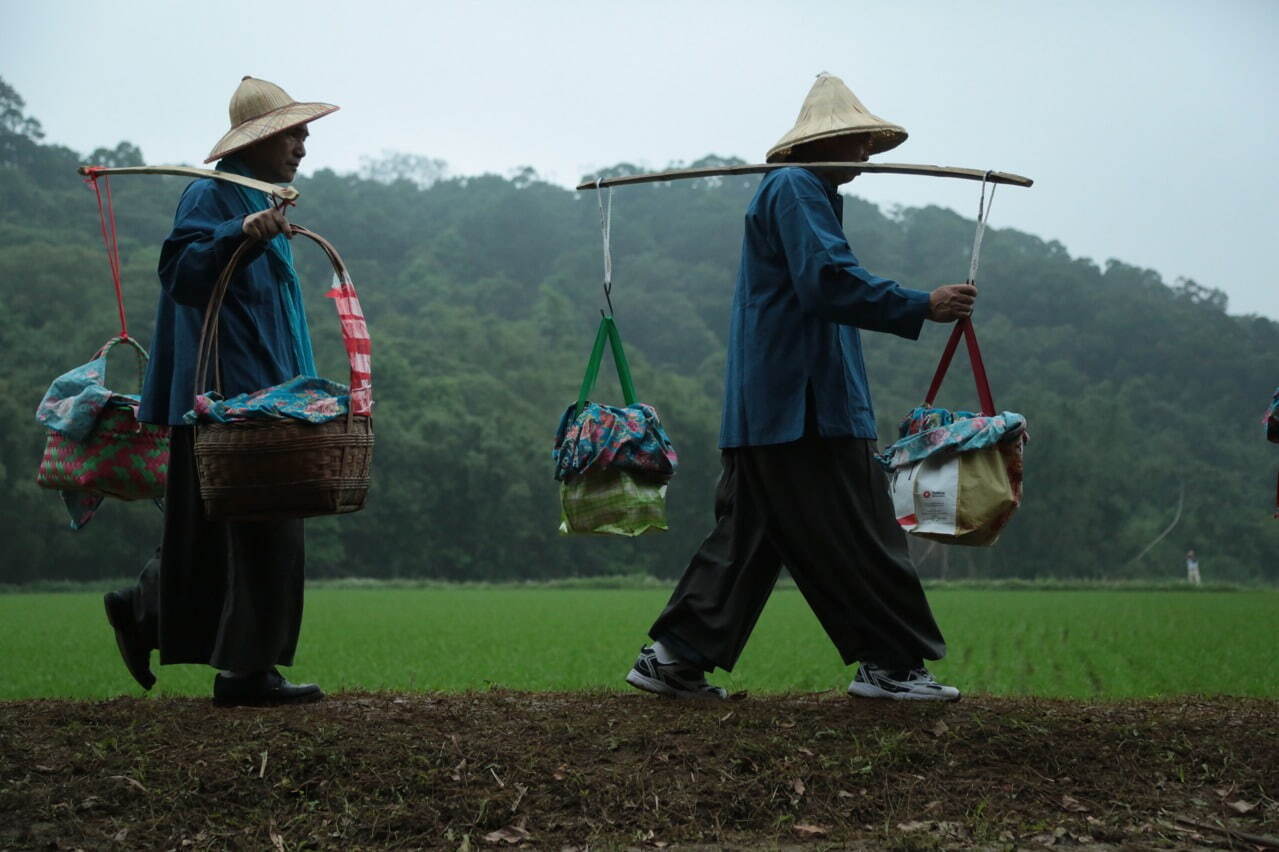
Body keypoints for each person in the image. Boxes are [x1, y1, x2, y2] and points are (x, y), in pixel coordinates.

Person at [625, 73, 976, 702]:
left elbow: (820, 286)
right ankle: (892, 665)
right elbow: (829, 283)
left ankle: (673, 657)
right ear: (827, 143)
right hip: (802, 407)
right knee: (862, 528)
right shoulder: (793, 188)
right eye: (858, 141)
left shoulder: (797, 193)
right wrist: (923, 303)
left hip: (773, 408)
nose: (867, 154)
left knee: (751, 538)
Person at [103, 76, 339, 705]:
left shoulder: (265, 199)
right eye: (293, 134)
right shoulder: (210, 198)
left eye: (304, 134)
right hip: (221, 395)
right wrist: (239, 233)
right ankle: (246, 674)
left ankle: (146, 612)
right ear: (259, 139)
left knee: (211, 534)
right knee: (264, 527)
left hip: (265, 392)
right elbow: (180, 272)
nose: (303, 147)